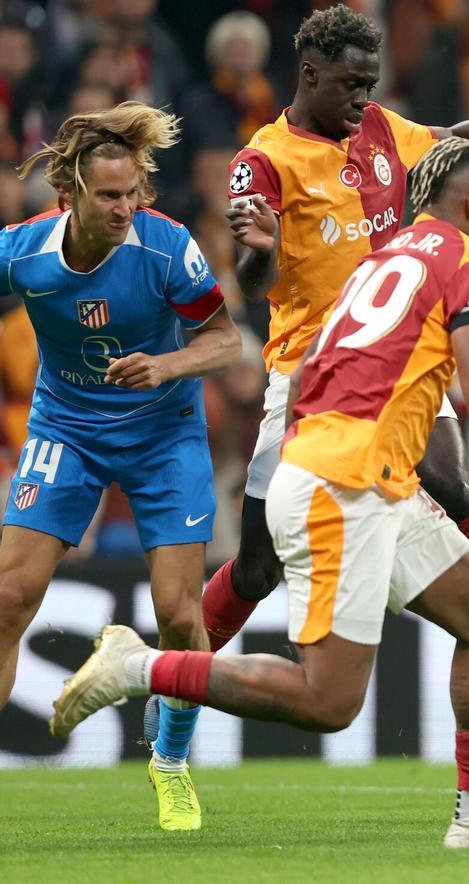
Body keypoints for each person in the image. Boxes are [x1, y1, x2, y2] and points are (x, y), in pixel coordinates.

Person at [52, 137, 469, 849]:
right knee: (328, 702)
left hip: (358, 476)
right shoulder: (468, 261)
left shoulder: (378, 263)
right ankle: (136, 666)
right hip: (343, 487)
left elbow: (303, 375)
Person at [188, 4, 469, 736]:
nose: (365, 97)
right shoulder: (262, 161)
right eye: (352, 83)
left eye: (372, 82)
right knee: (254, 571)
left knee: (453, 482)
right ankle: (173, 693)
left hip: (401, 361)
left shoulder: (380, 131)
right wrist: (264, 248)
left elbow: (462, 143)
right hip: (310, 377)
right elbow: (250, 279)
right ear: (310, 73)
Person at [0, 102, 241, 831]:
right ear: (68, 195)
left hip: (164, 432)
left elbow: (225, 342)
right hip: (66, 428)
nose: (125, 208)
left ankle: (170, 764)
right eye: (109, 196)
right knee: (10, 596)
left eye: (133, 193)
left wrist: (167, 364)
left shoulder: (167, 249)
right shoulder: (21, 252)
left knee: (177, 615)